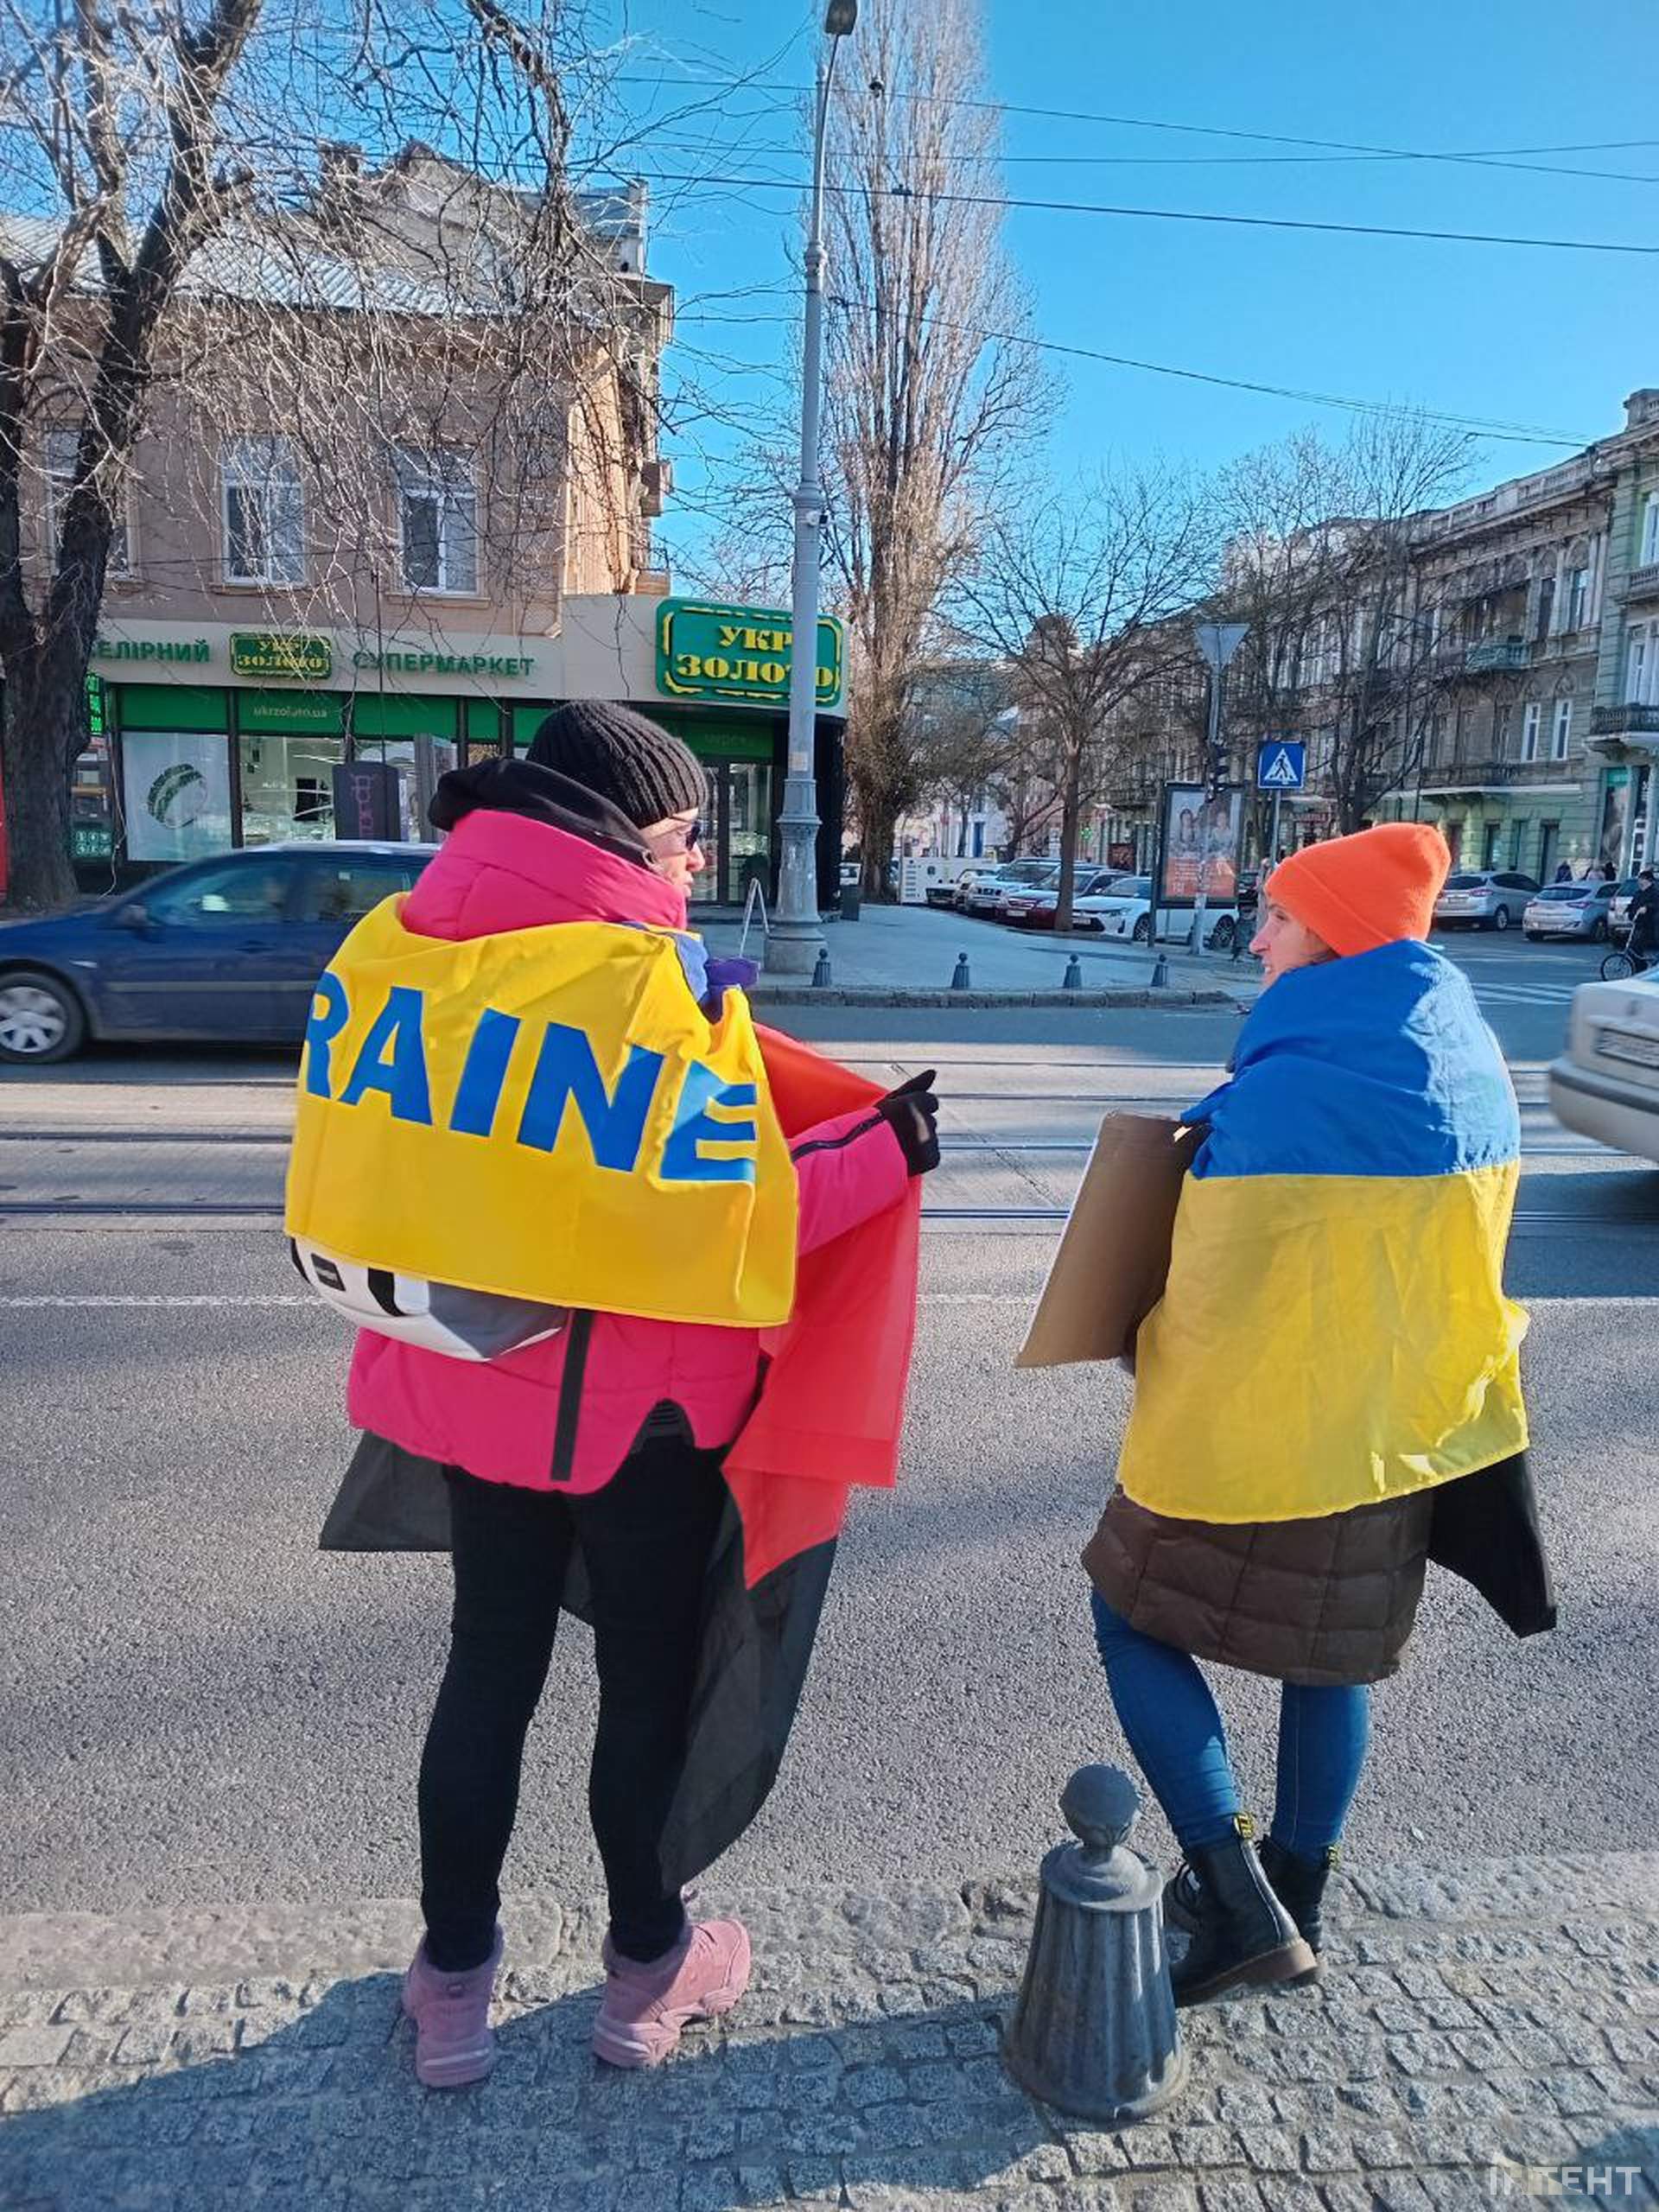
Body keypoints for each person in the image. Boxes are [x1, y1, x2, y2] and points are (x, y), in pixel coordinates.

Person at [297, 703, 938, 2088]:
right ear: (627, 832)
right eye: (687, 833)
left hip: (466, 1384)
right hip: (637, 1420)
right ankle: (647, 1976)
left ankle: (452, 1990)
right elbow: (724, 1222)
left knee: (488, 1674)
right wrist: (892, 1152)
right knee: (644, 1689)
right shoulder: (648, 992)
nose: (698, 861)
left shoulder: (396, 949)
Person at [1082, 823, 1554, 2007]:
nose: (1257, 935)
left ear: (1333, 935)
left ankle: (1231, 1894)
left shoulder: (1292, 1082)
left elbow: (1209, 1288)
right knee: (1329, 1662)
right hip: (1403, 1435)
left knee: (1129, 1618)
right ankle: (1301, 1893)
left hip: (1260, 1432)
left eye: (1278, 917)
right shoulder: (1474, 1062)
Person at [1629, 867, 1658, 962]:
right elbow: (1633, 904)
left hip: (1649, 924)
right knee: (1632, 948)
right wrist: (1628, 910)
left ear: (1647, 880)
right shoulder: (1638, 893)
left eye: (1641, 879)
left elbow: (1656, 904)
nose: (1639, 881)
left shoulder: (1655, 892)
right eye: (1639, 879)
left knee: (1637, 946)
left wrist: (1647, 907)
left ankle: (1641, 967)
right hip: (1638, 923)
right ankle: (1638, 966)